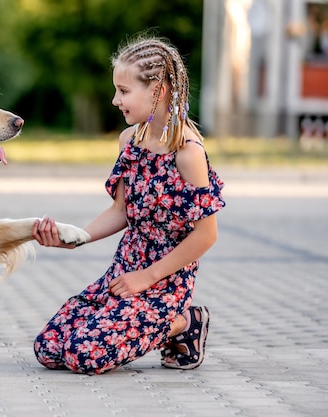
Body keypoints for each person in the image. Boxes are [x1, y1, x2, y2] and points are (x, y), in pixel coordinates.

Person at [32, 35, 225, 375]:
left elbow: (206, 236)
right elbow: (120, 212)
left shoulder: (188, 153)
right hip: (124, 271)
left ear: (157, 91)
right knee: (48, 348)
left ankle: (184, 322)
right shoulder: (130, 140)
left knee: (84, 356)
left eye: (123, 90)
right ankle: (152, 327)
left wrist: (146, 278)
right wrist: (74, 237)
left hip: (163, 281)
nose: (114, 99)